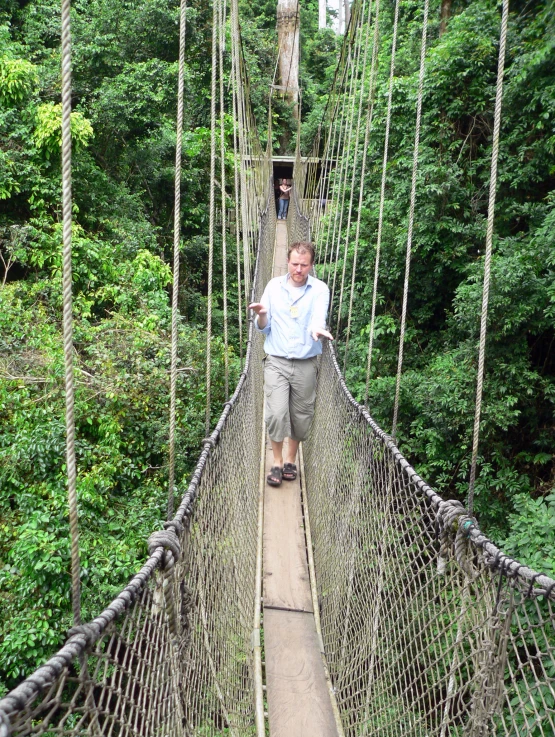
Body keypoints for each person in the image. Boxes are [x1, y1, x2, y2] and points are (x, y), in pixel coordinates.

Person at [249, 241, 333, 487]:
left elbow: (318, 316)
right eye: (295, 264)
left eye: (304, 265)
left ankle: (290, 460)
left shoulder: (319, 289)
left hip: (306, 363)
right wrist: (262, 315)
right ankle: (275, 461)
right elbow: (263, 327)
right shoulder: (273, 287)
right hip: (276, 361)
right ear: (287, 262)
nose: (298, 269)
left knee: (300, 416)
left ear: (311, 265)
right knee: (276, 414)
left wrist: (318, 328)